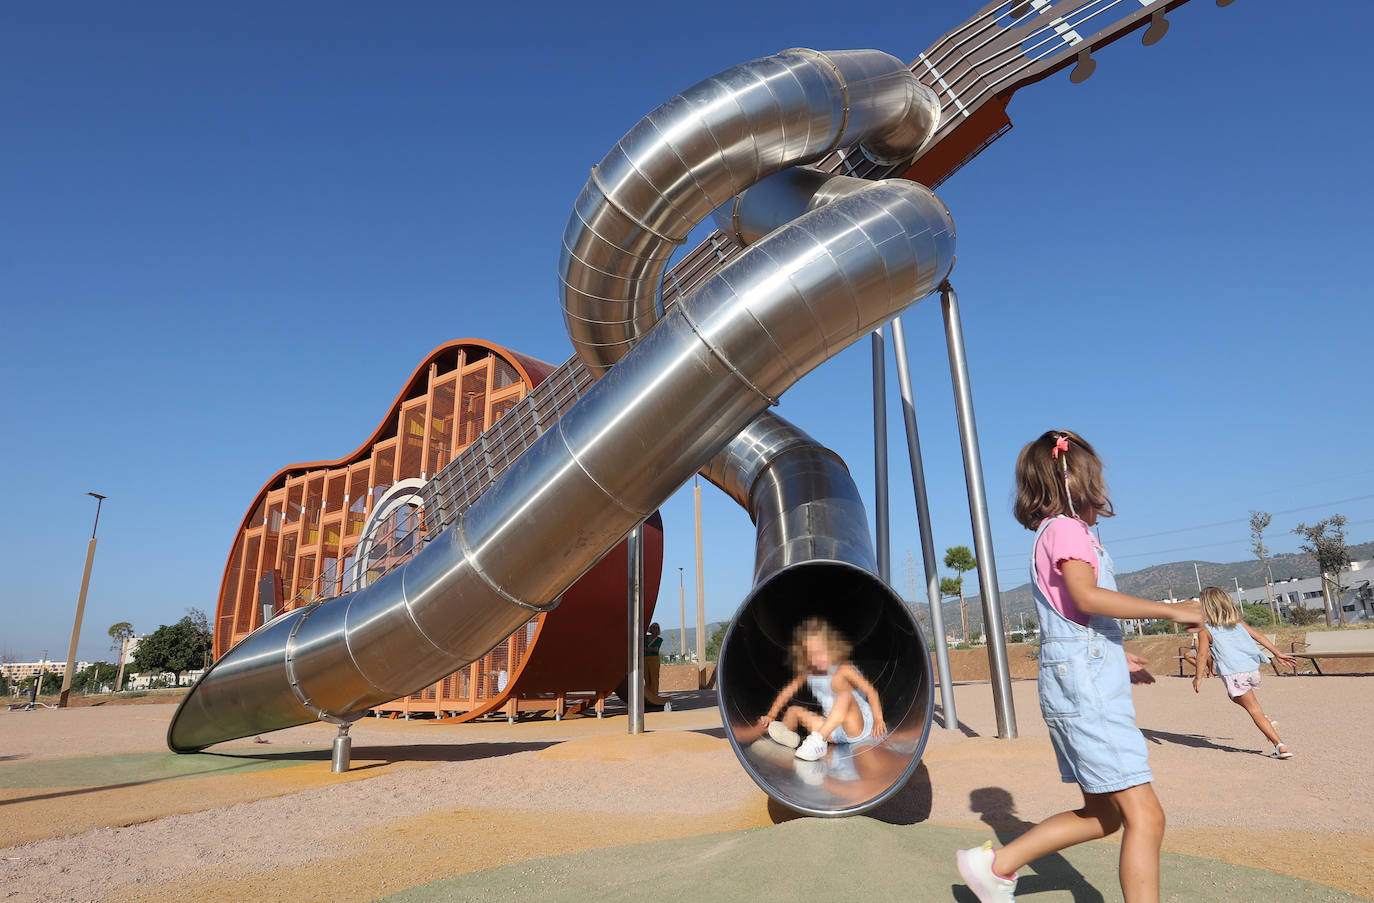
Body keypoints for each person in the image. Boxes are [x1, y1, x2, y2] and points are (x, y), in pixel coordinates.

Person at [956, 430, 1204, 903]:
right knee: (1146, 817)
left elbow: (1071, 617)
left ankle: (995, 866)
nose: (1103, 488)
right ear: (1074, 481)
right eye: (1098, 477)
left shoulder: (1058, 532)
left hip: (1079, 673)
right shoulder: (1068, 529)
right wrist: (1174, 609)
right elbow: (1087, 597)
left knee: (1105, 815)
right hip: (1086, 685)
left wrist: (1116, 654)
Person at [757, 617, 886, 762]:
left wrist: (878, 719)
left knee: (845, 695)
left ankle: (818, 741)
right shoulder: (809, 672)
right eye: (811, 654)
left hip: (856, 726)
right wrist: (771, 715)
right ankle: (786, 738)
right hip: (834, 731)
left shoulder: (843, 668)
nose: (817, 658)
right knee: (793, 711)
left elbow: (871, 691)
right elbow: (788, 691)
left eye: (821, 651)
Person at [1192, 586, 1297, 758]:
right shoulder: (1237, 622)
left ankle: (1280, 745)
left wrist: (1198, 677)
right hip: (1251, 669)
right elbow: (1260, 637)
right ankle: (1266, 720)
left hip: (1234, 674)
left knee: (1254, 710)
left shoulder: (1206, 629)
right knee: (1235, 697)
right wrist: (1278, 654)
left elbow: (1202, 653)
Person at [643, 622, 668, 708]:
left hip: (654, 659)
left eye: (656, 628)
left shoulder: (659, 639)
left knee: (654, 678)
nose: (654, 629)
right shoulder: (645, 637)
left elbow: (655, 649)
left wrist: (645, 649)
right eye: (653, 627)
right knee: (646, 678)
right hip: (645, 659)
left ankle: (654, 696)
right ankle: (647, 696)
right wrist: (648, 649)